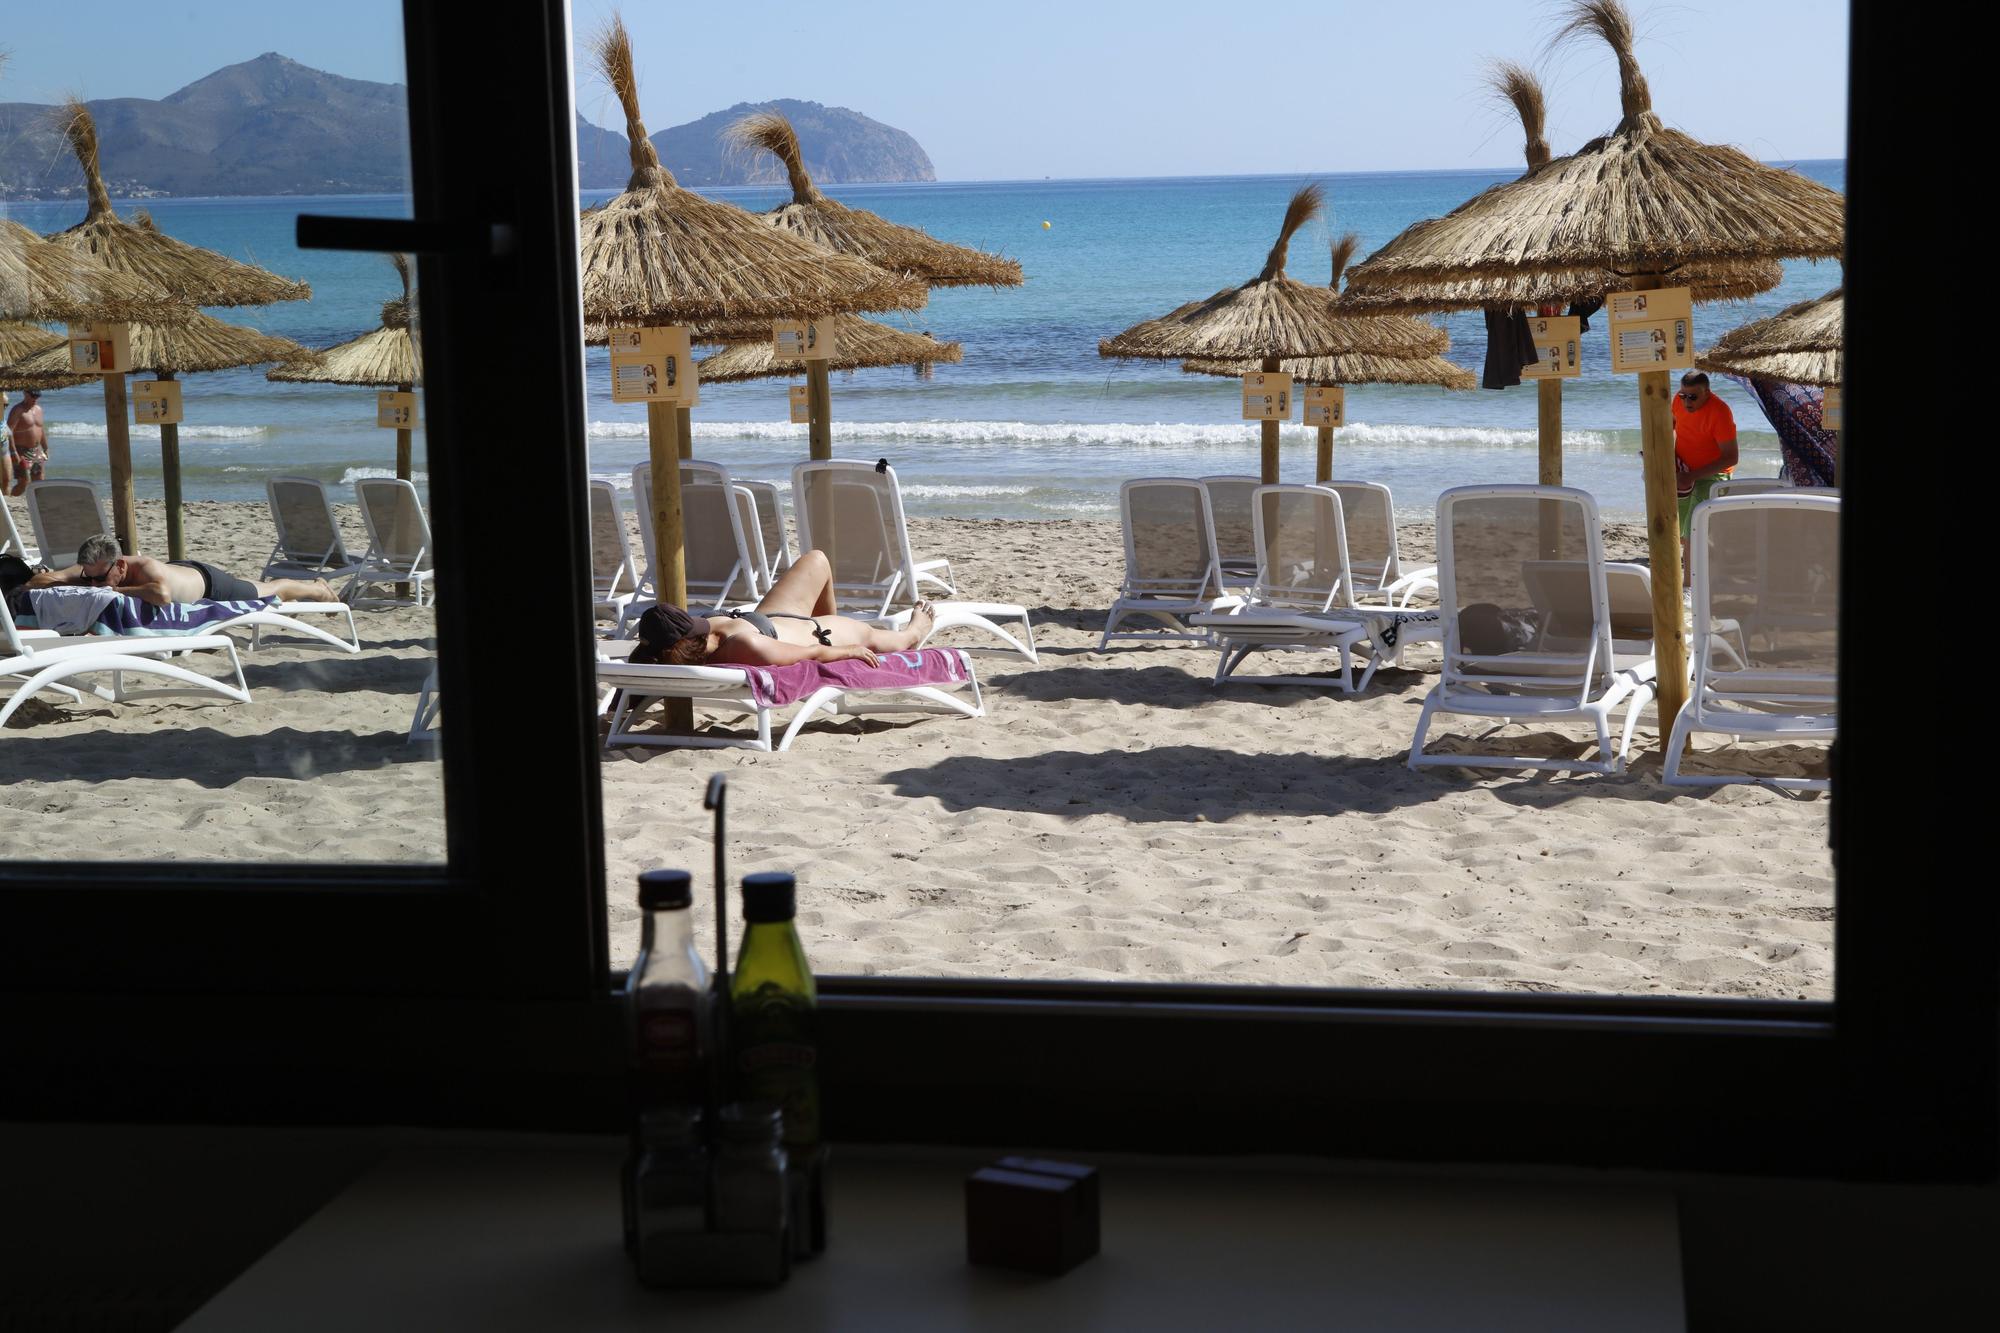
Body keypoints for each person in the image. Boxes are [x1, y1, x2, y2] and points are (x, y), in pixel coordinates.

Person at [627, 548, 936, 668]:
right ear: (681, 646)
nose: (703, 627)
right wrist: (850, 651)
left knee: (817, 560)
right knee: (896, 640)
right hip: (814, 634)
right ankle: (916, 628)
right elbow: (811, 654)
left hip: (765, 618)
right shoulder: (743, 646)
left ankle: (830, 616)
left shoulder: (675, 650)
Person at [26, 533, 335, 605]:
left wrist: (114, 590)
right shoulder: (92, 570)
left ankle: (317, 589)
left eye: (100, 577)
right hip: (180, 571)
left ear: (120, 565)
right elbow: (39, 579)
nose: (93, 583)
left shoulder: (142, 568)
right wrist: (68, 581)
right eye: (88, 576)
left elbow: (160, 595)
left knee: (266, 592)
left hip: (209, 583)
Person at [1669, 371, 1738, 581]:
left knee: (1692, 529)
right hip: (1684, 471)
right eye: (1683, 395)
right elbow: (1669, 427)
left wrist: (1692, 476)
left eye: (1693, 397)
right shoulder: (1678, 401)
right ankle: (1713, 557)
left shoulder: (1720, 412)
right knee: (1677, 530)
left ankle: (1689, 585)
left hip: (1713, 475)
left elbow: (1731, 457)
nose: (1687, 401)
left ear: (1707, 392)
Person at [6, 388, 48, 497]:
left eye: (37, 396)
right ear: (25, 394)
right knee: (23, 482)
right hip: (21, 451)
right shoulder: (18, 410)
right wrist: (13, 452)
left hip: (36, 450)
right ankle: (9, 500)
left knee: (39, 481)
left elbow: (41, 430)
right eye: (33, 396)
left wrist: (46, 448)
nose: (35, 399)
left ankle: (38, 505)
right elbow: (9, 431)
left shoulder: (39, 409)